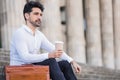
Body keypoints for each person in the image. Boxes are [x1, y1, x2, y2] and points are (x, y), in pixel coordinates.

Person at [10, 1, 81, 80]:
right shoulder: (20, 33)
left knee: (65, 64)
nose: (39, 17)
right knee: (50, 61)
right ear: (27, 16)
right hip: (18, 70)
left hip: (33, 68)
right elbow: (25, 57)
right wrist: (48, 55)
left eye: (41, 15)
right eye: (36, 14)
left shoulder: (39, 35)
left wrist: (72, 61)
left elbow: (54, 49)